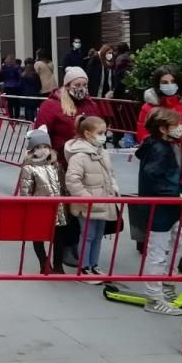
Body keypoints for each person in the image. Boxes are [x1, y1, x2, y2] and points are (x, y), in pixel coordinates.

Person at [135, 107, 182, 316]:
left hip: (169, 206)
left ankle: (167, 286)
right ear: (163, 128)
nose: (179, 128)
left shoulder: (161, 145)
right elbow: (153, 175)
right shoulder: (160, 149)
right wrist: (172, 195)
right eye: (175, 125)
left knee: (178, 244)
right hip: (161, 207)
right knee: (158, 252)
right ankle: (154, 297)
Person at [135, 65, 182, 187]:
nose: (169, 85)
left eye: (173, 81)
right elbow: (143, 138)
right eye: (164, 82)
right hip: (161, 167)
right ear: (158, 84)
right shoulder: (148, 109)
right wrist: (165, 139)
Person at [64, 115, 119, 282]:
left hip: (104, 201)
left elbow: (109, 173)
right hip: (87, 203)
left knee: (98, 235)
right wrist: (87, 198)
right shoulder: (79, 156)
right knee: (87, 235)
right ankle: (84, 268)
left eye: (105, 132)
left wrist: (114, 187)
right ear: (88, 134)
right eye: (100, 132)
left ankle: (94, 265)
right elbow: (72, 181)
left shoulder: (102, 152)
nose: (104, 135)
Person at [17, 126, 71, 274]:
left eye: (45, 146)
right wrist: (28, 207)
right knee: (38, 236)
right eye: (38, 147)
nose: (42, 149)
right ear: (32, 150)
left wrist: (67, 201)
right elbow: (25, 191)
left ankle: (58, 265)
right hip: (39, 209)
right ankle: (43, 262)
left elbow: (63, 185)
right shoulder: (29, 168)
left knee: (59, 238)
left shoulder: (56, 165)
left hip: (58, 208)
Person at [33, 67, 101, 166]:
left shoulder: (91, 105)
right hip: (61, 161)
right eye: (77, 85)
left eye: (85, 85)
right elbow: (40, 133)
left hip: (89, 161)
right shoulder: (51, 105)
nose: (82, 88)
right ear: (68, 86)